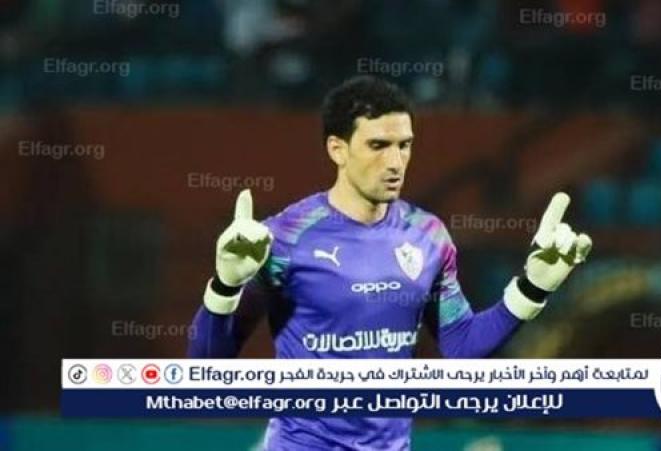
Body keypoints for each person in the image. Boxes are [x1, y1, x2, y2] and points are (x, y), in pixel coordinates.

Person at [188, 75, 592, 450]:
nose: (396, 162)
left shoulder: (428, 235)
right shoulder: (284, 238)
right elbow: (205, 368)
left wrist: (533, 287)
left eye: (405, 145)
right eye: (378, 146)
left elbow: (462, 348)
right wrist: (225, 285)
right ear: (337, 149)